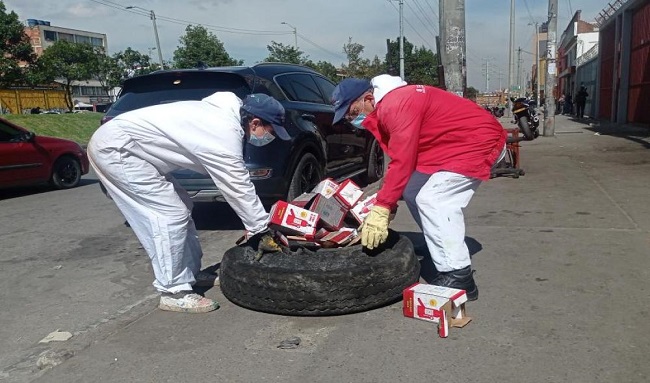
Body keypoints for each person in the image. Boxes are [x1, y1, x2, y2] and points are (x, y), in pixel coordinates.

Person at [87, 92, 288, 313]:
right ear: (255, 121)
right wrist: (261, 228)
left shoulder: (225, 117)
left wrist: (258, 225)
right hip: (118, 150)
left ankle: (190, 274)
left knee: (184, 206)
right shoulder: (223, 130)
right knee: (169, 215)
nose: (269, 138)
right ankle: (173, 291)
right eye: (269, 132)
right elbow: (236, 185)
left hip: (131, 148)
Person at [331, 75, 507, 300]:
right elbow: (400, 160)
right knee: (413, 190)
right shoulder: (389, 103)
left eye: (353, 112)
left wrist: (383, 207)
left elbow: (403, 160)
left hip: (478, 142)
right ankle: (439, 246)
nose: (353, 120)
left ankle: (459, 275)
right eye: (347, 117)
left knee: (434, 199)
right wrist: (388, 199)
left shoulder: (396, 106)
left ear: (368, 99)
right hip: (451, 145)